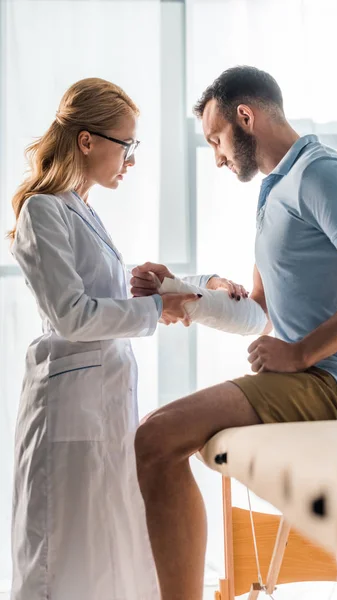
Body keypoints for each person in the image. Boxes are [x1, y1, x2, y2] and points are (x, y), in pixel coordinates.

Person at [131, 66, 337, 600]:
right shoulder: (274, 193)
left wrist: (301, 354)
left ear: (245, 116)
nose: (217, 156)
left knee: (156, 437)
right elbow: (259, 314)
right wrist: (183, 291)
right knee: (154, 433)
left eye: (217, 139)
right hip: (315, 377)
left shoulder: (322, 174)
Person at [8, 77, 242, 600]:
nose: (131, 160)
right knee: (62, 550)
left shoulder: (82, 209)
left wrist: (175, 284)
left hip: (101, 400)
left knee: (103, 541)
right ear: (87, 141)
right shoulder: (43, 209)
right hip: (67, 406)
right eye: (126, 145)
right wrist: (156, 307)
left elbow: (97, 291)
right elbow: (70, 314)